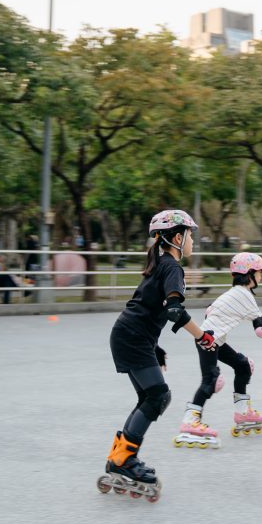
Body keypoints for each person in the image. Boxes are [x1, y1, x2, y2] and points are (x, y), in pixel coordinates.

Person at [99, 210, 217, 500]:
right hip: (133, 337)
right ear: (178, 237)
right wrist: (203, 336)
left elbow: (147, 306)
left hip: (131, 336)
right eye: (191, 236)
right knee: (158, 397)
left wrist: (155, 347)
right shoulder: (172, 268)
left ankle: (119, 456)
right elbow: (173, 310)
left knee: (149, 397)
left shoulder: (162, 263)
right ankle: (125, 460)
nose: (193, 242)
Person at [174, 252, 262, 449]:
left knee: (243, 365)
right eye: (259, 272)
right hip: (208, 341)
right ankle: (190, 420)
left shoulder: (234, 293)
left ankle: (242, 413)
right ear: (249, 274)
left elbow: (209, 311)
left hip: (214, 339)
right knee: (212, 379)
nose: (261, 276)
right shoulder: (244, 295)